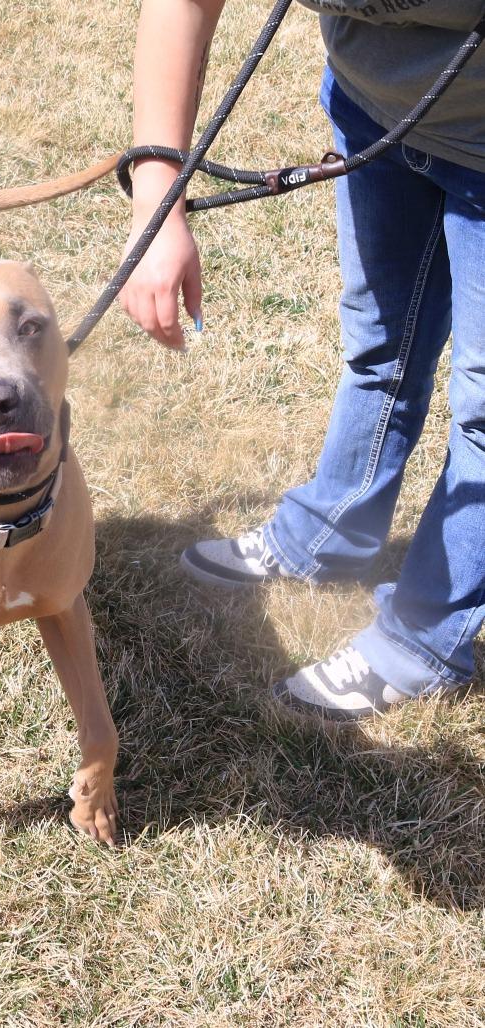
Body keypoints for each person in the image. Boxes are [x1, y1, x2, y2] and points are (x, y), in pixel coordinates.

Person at [122, 0, 485, 719]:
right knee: (380, 341)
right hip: (373, 109)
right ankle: (330, 530)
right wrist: (157, 202)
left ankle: (426, 638)